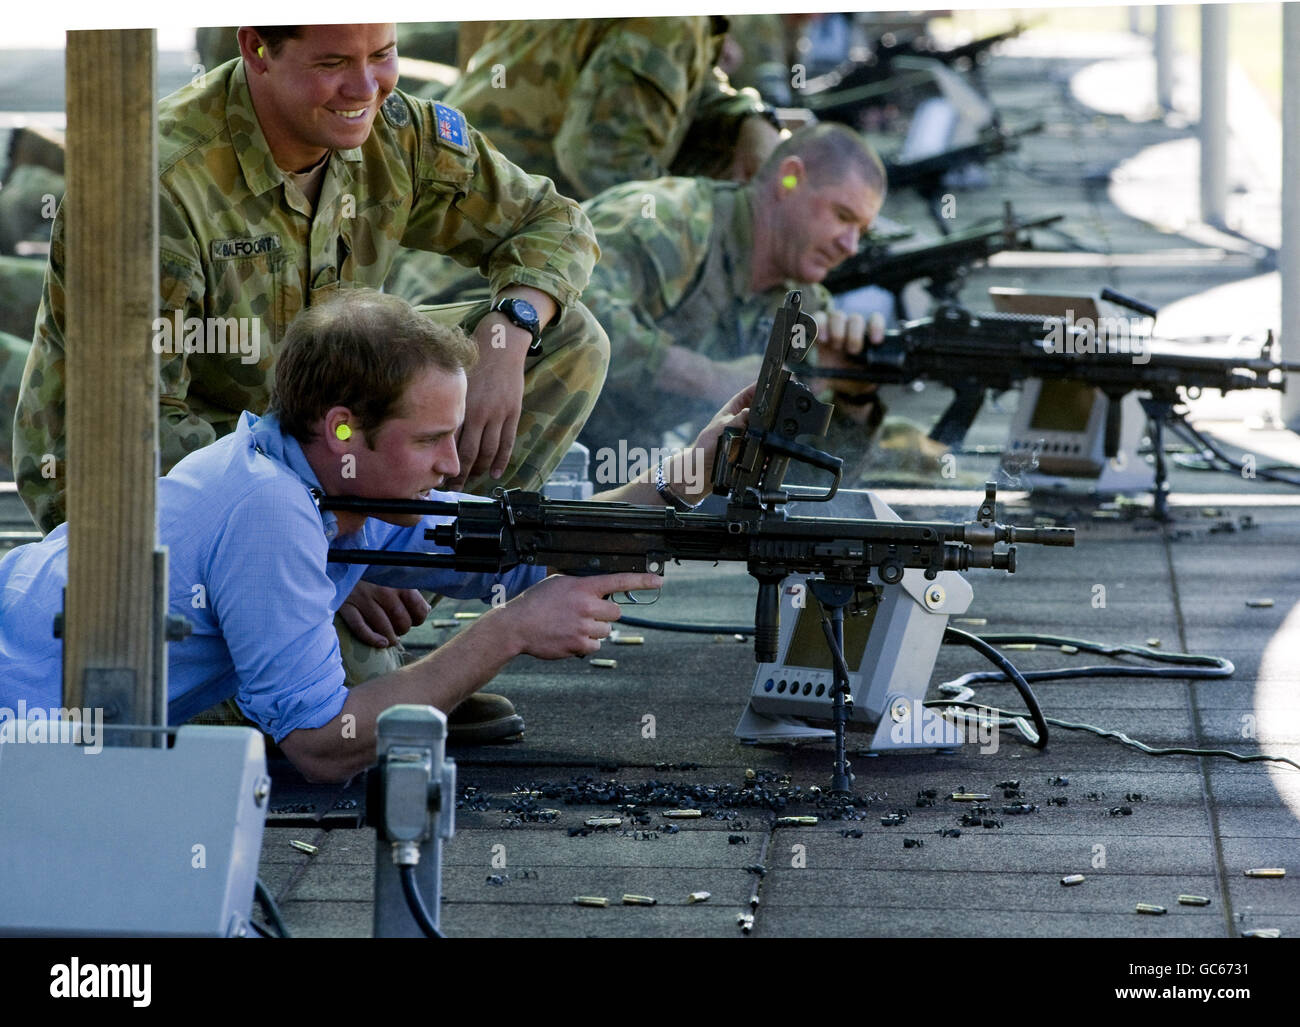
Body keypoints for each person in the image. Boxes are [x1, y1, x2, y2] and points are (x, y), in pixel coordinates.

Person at [12, 24, 610, 721]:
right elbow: (124, 439)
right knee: (317, 726)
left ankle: (375, 624)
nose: (366, 88)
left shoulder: (393, 130)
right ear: (256, 49)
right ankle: (309, 664)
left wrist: (509, 336)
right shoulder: (157, 186)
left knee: (566, 337)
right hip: (163, 487)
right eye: (332, 63)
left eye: (381, 56)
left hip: (324, 453)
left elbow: (553, 221)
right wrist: (305, 543)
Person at [0, 290, 750, 784]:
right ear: (343, 428)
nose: (453, 465)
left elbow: (525, 550)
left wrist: (693, 471)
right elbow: (327, 743)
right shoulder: (272, 511)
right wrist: (509, 632)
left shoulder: (333, 485)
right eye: (430, 441)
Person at [416, 123, 889, 466]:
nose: (849, 246)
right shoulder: (669, 219)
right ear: (790, 177)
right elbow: (571, 312)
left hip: (594, 454)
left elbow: (816, 477)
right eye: (843, 217)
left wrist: (850, 390)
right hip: (448, 391)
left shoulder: (805, 305)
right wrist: (708, 378)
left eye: (862, 231)